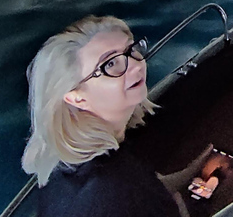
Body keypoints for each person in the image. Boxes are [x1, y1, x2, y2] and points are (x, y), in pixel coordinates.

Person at [22, 15, 211, 217]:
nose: (136, 65)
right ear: (76, 98)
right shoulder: (115, 188)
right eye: (110, 64)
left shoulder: (64, 168)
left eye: (131, 50)